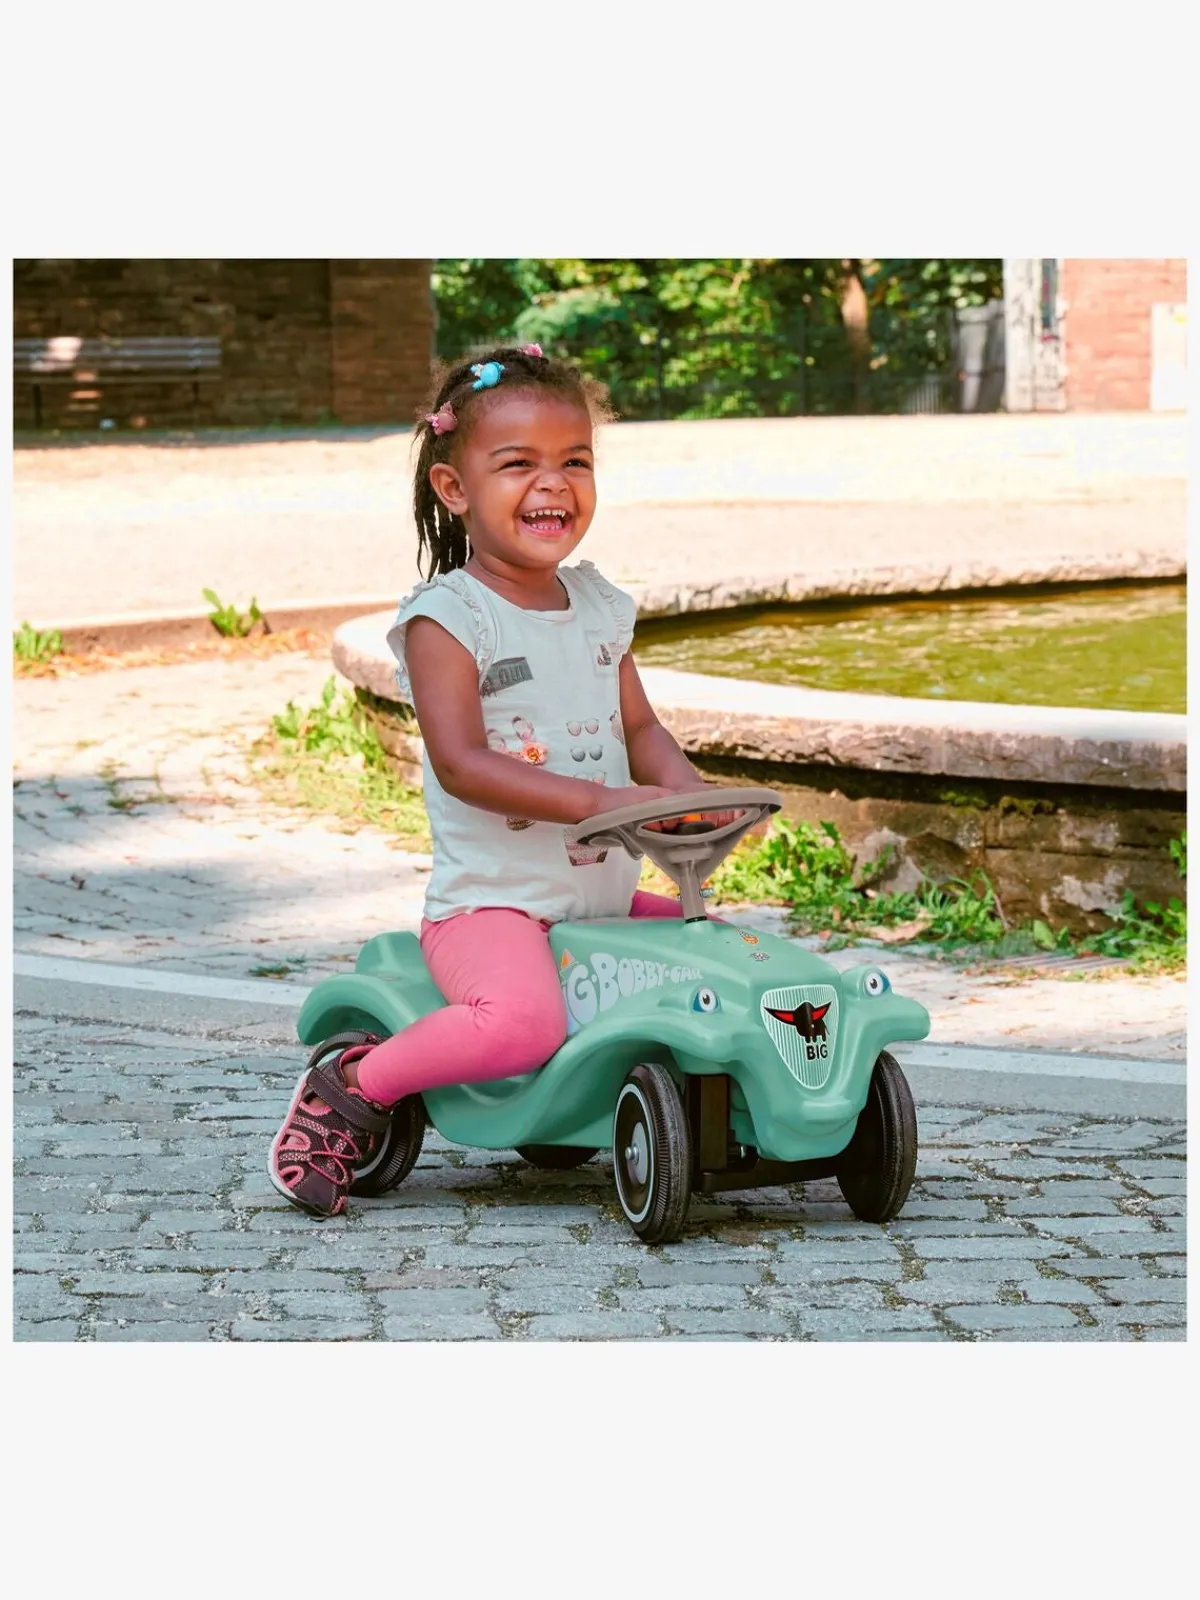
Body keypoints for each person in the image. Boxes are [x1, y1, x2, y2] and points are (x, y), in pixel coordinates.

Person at [269, 345, 739, 1217]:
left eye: (575, 462)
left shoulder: (598, 606)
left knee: (723, 957)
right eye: (518, 463)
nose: (552, 483)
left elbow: (640, 729)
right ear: (454, 487)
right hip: (494, 906)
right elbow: (462, 763)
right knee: (522, 1022)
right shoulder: (450, 619)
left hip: (596, 901)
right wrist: (601, 803)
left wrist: (689, 799)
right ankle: (355, 1086)